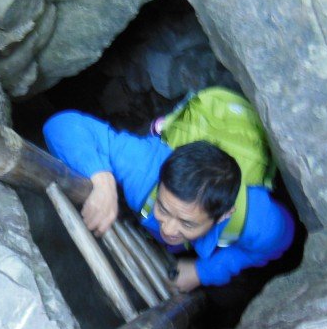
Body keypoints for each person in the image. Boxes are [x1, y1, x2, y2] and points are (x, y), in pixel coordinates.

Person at [42, 108, 295, 299]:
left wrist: (203, 271)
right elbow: (61, 125)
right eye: (162, 208)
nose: (168, 229)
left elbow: (281, 240)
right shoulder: (143, 170)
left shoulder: (257, 222)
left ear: (223, 216)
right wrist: (102, 180)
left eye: (187, 223)